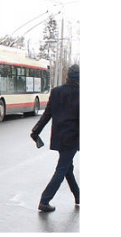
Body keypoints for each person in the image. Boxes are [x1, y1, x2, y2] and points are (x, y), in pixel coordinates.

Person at [30, 64, 80, 213]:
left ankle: (78, 196)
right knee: (62, 168)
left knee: (67, 168)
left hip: (59, 137)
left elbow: (47, 114)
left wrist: (35, 131)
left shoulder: (56, 92)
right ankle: (45, 200)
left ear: (67, 77)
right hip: (72, 138)